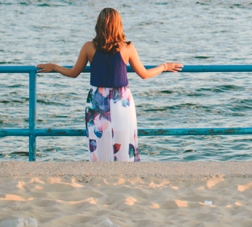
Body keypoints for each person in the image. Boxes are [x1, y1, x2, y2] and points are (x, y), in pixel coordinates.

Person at [37, 8, 182, 162]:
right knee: (124, 142)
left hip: (97, 101)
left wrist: (54, 67)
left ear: (99, 24)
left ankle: (101, 173)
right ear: (118, 25)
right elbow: (144, 74)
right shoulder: (127, 48)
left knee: (99, 144)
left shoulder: (88, 47)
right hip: (121, 100)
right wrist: (164, 66)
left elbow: (73, 73)